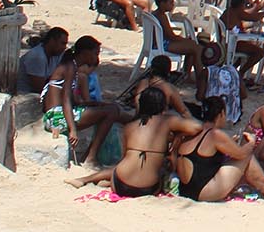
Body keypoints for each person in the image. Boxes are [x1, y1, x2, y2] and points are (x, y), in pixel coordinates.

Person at [67, 86, 201, 196]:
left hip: (120, 184)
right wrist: (177, 137)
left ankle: (84, 180)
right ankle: (100, 181)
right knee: (164, 170)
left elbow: (124, 158)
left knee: (121, 166)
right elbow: (197, 127)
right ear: (162, 106)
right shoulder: (167, 121)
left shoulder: (129, 126)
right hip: (148, 188)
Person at [174, 96, 264, 202]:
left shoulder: (193, 132)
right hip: (203, 192)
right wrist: (251, 142)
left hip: (185, 191)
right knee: (248, 156)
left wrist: (230, 143)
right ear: (221, 114)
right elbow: (242, 154)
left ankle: (262, 188)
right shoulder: (215, 134)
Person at [41, 35, 121, 164]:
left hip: (56, 115)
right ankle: (91, 156)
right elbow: (66, 99)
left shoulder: (72, 67)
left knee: (112, 109)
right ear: (85, 53)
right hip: (55, 118)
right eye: (95, 53)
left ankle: (91, 154)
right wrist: (72, 129)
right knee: (111, 112)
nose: (97, 58)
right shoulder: (70, 67)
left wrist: (97, 104)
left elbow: (76, 101)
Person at [221, 0, 264, 77]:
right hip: (232, 44)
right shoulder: (237, 12)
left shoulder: (229, 11)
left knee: (248, 49)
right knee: (259, 53)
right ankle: (240, 73)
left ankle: (234, 70)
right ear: (241, 4)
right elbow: (254, 18)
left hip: (226, 42)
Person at [19, 27, 68, 94]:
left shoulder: (56, 54)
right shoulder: (37, 56)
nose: (64, 47)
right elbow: (39, 88)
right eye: (62, 43)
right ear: (52, 41)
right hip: (26, 94)